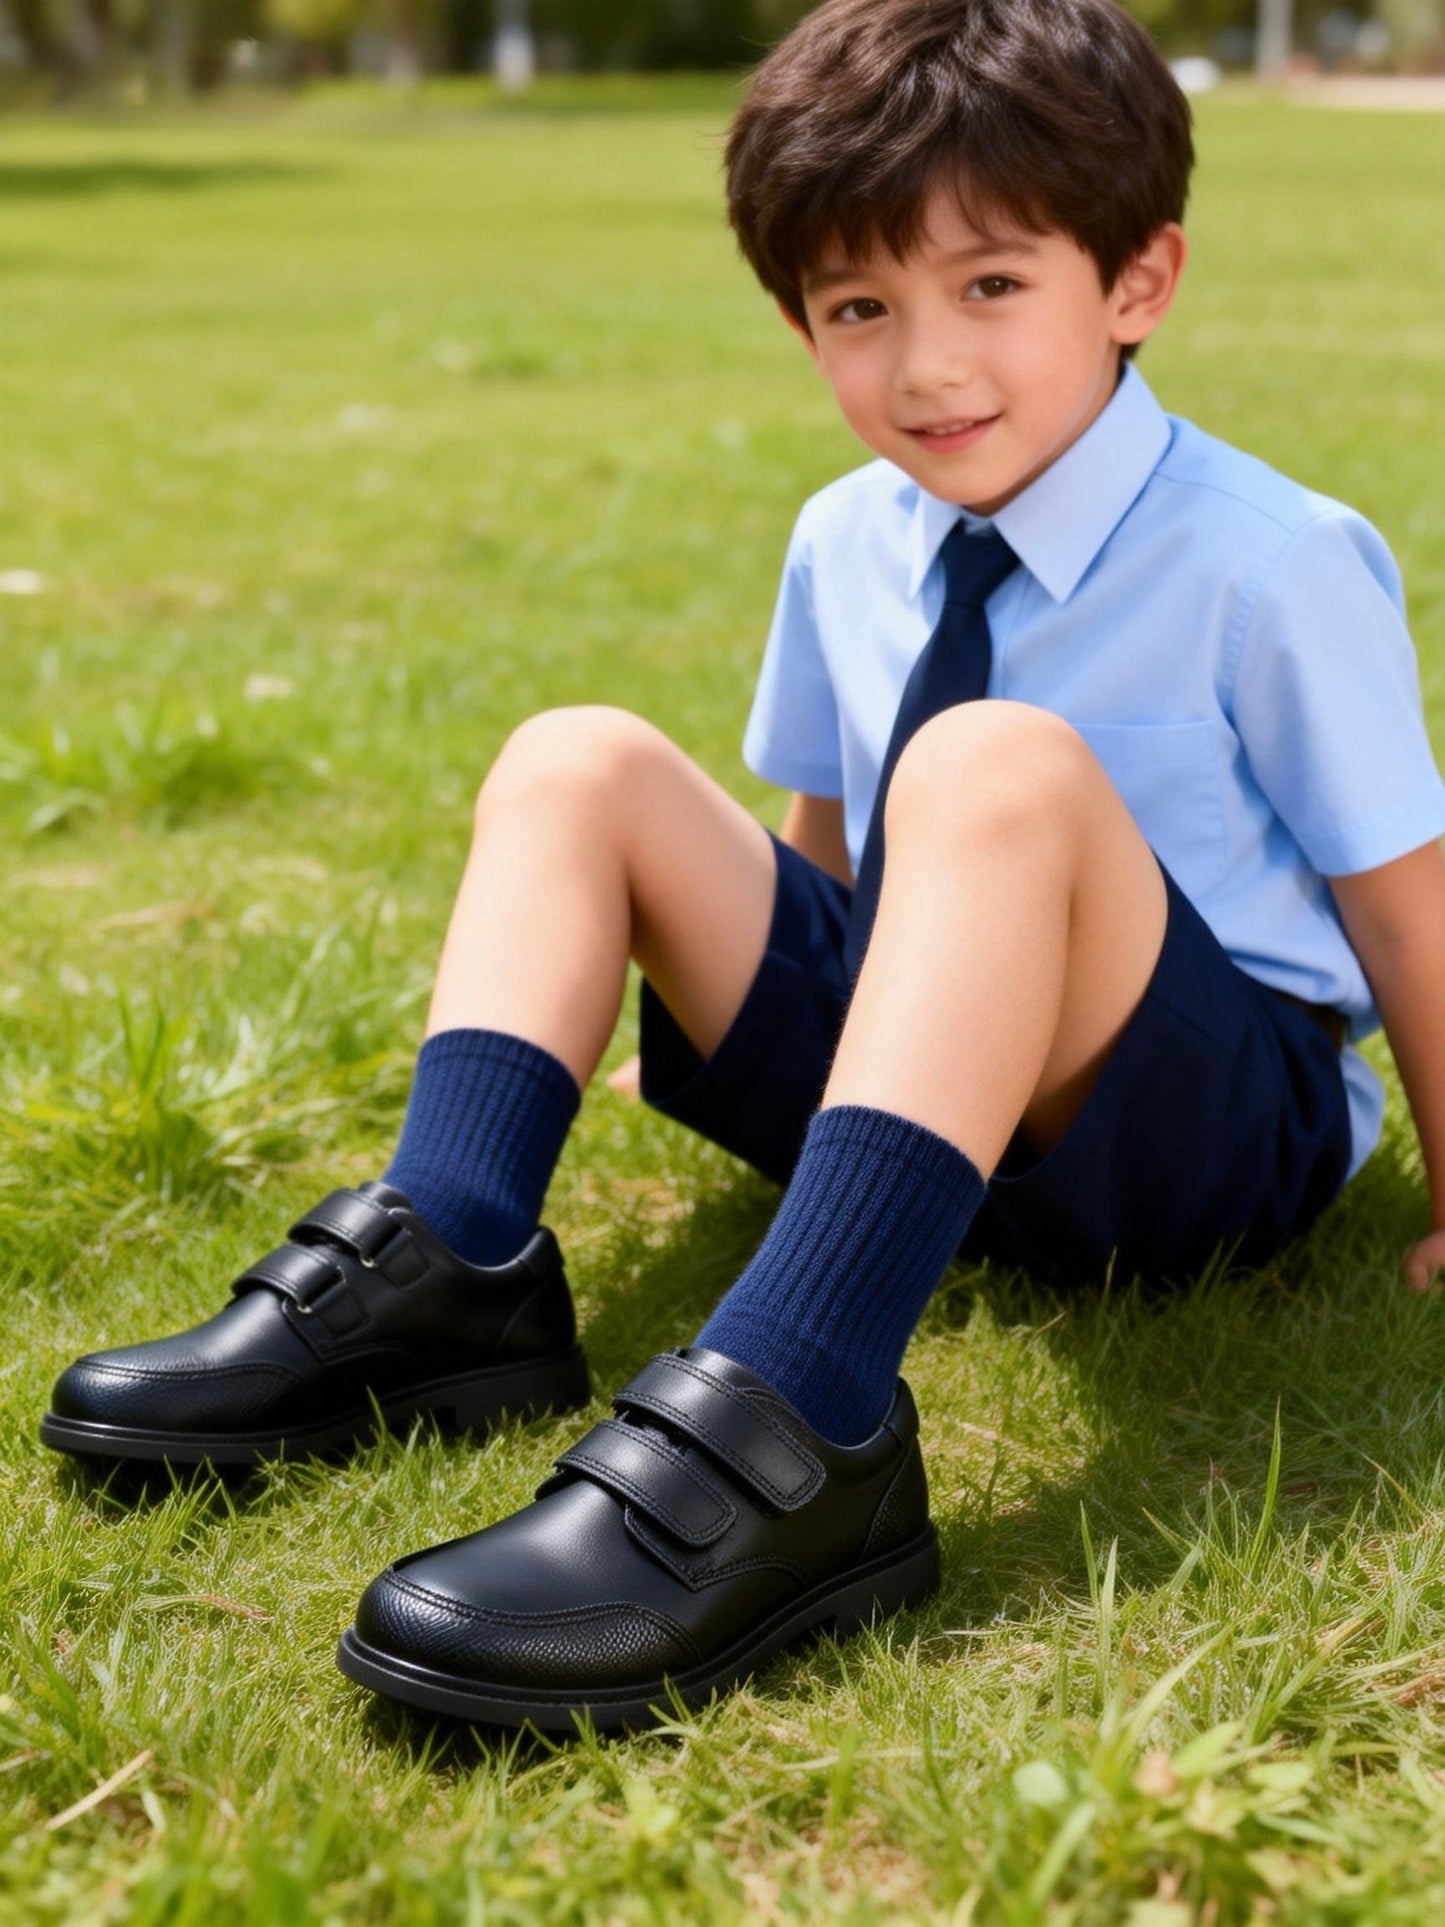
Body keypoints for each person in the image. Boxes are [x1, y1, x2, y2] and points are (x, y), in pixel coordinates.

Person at [42, 0, 1445, 1735]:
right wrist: (771, 1022)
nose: (927, 368)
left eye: (990, 286)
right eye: (861, 311)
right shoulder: (843, 536)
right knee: (579, 756)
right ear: (799, 324)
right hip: (937, 1084)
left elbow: (1406, 910)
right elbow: (828, 843)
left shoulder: (1269, 559)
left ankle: (802, 1411)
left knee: (989, 766)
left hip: (1193, 1144)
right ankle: (450, 1271)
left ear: (1135, 282)